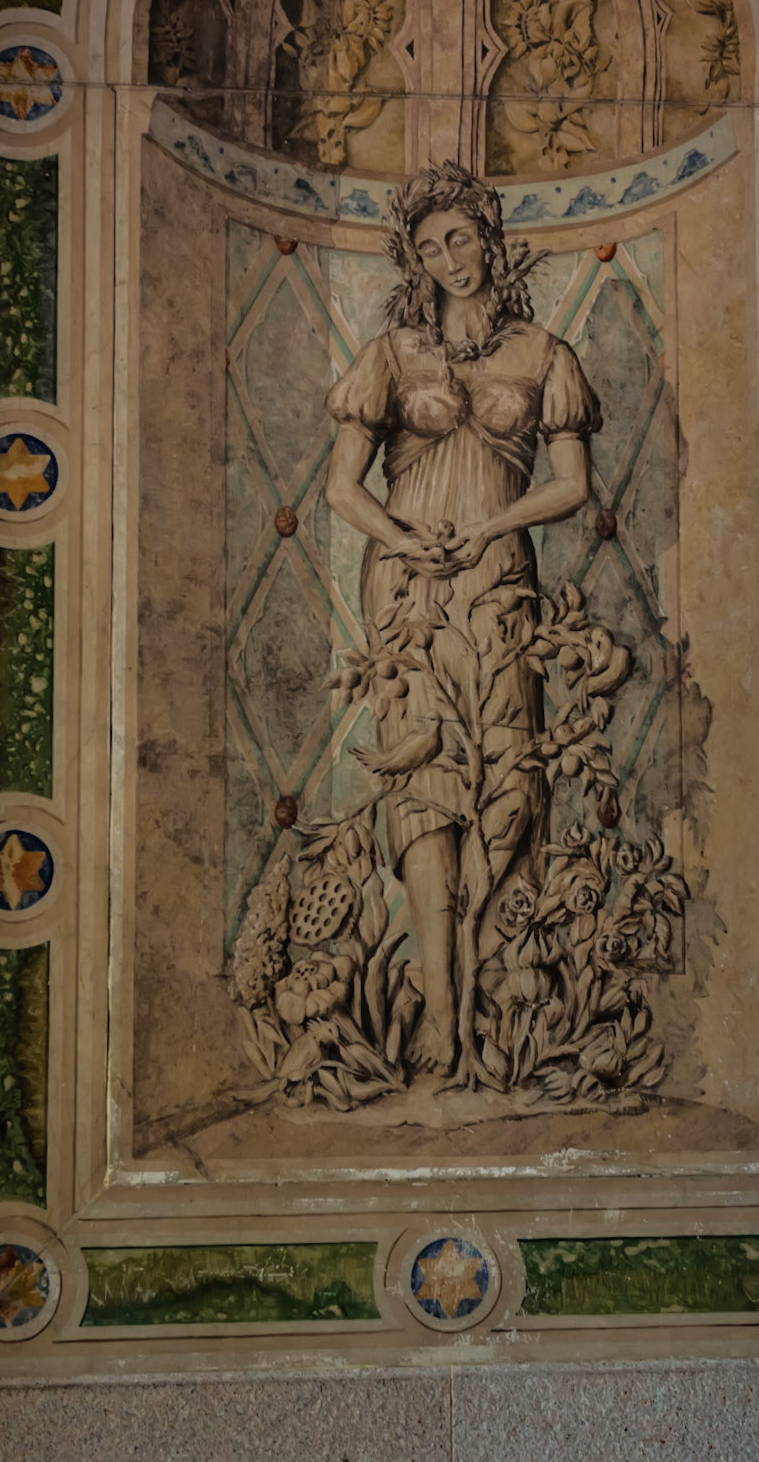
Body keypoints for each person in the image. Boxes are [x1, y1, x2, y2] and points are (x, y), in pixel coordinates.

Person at [325, 162, 601, 1075]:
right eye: (430, 245)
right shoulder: (393, 354)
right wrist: (400, 535)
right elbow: (340, 487)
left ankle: (493, 1002)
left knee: (507, 775)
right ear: (415, 257)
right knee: (425, 786)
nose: (451, 258)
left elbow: (570, 485)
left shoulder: (545, 354)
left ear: (490, 235)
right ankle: (442, 1017)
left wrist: (492, 524)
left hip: (497, 579)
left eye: (462, 237)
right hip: (408, 590)